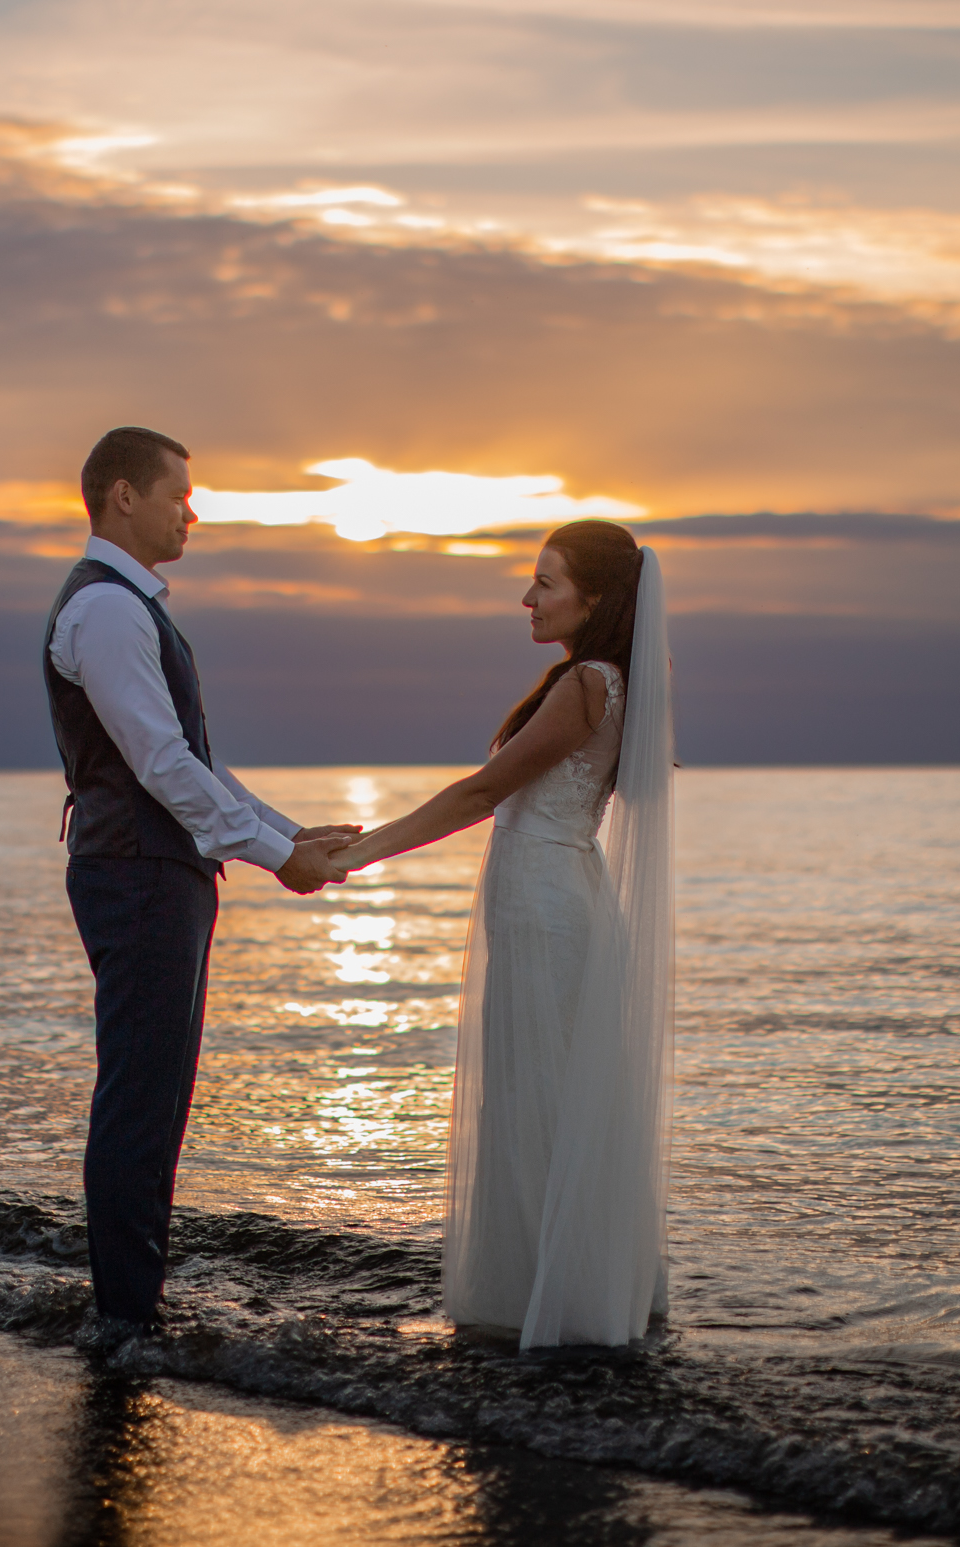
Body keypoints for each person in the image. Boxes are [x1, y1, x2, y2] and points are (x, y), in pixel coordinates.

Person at [321, 521, 674, 1348]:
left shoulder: (587, 683)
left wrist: (359, 854)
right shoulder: (618, 681)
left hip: (548, 900)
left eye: (546, 582)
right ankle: (560, 1292)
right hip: (558, 890)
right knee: (545, 1095)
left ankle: (549, 1310)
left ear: (595, 596)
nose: (528, 597)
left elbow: (482, 793)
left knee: (537, 1098)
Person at [43, 425, 357, 1343]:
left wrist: (287, 829)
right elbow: (160, 764)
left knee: (158, 1093)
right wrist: (274, 855)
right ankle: (125, 1323)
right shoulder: (105, 609)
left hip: (156, 871)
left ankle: (132, 1308)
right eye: (178, 491)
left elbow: (192, 762)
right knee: (141, 1095)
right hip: (137, 874)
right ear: (121, 496)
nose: (193, 509)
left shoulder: (131, 605)